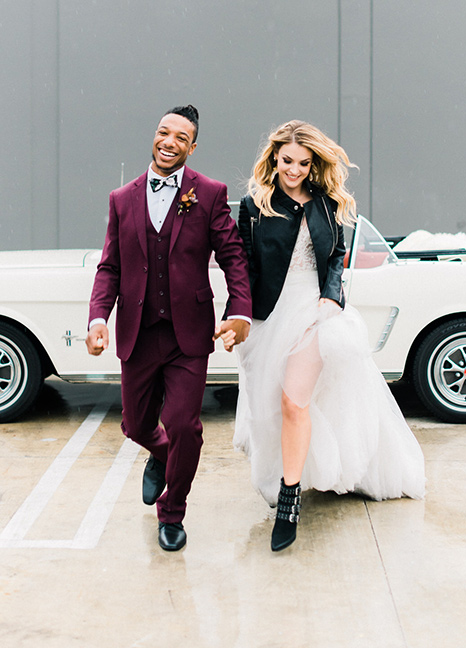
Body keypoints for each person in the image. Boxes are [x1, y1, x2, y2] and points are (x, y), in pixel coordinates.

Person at [218, 120, 425, 552]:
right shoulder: (255, 206)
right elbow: (242, 267)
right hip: (267, 318)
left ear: (314, 164)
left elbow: (336, 259)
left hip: (316, 313)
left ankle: (290, 500)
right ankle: (288, 473)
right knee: (268, 409)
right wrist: (236, 316)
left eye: (303, 162)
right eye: (287, 160)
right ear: (275, 156)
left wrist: (332, 298)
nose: (294, 169)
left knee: (295, 402)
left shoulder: (327, 203)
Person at [86, 105, 252, 551]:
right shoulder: (122, 199)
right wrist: (98, 318)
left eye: (181, 137)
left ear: (192, 146)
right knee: (136, 426)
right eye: (164, 132)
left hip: (188, 335)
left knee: (183, 425)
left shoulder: (210, 194)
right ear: (154, 136)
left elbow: (233, 255)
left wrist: (240, 310)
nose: (169, 141)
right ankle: (162, 457)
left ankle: (172, 511)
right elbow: (110, 267)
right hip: (138, 333)